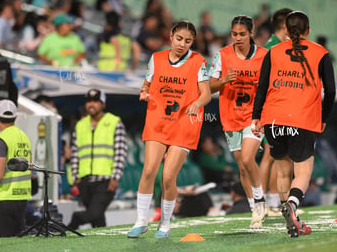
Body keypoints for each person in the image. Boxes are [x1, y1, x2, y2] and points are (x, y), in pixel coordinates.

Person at [252, 11, 336, 237]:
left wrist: (255, 116)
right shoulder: (321, 53)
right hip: (303, 119)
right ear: (308, 30)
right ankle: (292, 205)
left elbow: (261, 87)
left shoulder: (273, 52)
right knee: (303, 171)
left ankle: (292, 218)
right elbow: (331, 91)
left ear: (286, 31)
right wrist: (323, 118)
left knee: (282, 171)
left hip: (273, 120)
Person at [127, 20, 211, 239]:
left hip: (184, 124)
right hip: (157, 121)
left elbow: (206, 93)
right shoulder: (157, 58)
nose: (182, 44)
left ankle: (165, 223)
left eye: (188, 41)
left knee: (167, 176)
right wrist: (144, 93)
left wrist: (197, 104)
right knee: (148, 170)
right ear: (171, 36)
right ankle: (141, 221)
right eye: (179, 39)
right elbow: (145, 85)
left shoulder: (198, 61)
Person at [209, 15, 268, 228]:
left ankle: (260, 201)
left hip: (254, 116)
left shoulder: (264, 56)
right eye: (234, 34)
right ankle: (255, 209)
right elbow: (208, 85)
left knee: (247, 158)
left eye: (242, 34)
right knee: (242, 167)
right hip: (230, 116)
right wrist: (224, 80)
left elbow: (273, 85)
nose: (238, 38)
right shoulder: (222, 55)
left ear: (251, 33)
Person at [68, 88, 127, 229]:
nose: (91, 104)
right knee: (98, 221)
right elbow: (75, 152)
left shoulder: (114, 122)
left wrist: (115, 177)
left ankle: (73, 223)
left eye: (95, 101)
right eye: (88, 101)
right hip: (84, 181)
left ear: (103, 104)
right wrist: (76, 177)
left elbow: (120, 152)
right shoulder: (80, 125)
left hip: (105, 181)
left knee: (93, 213)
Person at [261, 8, 293, 217]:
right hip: (274, 108)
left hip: (276, 108)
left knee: (274, 156)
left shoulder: (272, 47)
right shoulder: (273, 49)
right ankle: (262, 200)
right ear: (285, 27)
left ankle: (270, 200)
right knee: (269, 156)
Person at [0, 99, 32, 237]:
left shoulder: (1, 140)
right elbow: (30, 168)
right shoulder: (24, 138)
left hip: (2, 200)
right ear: (15, 117)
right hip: (22, 198)